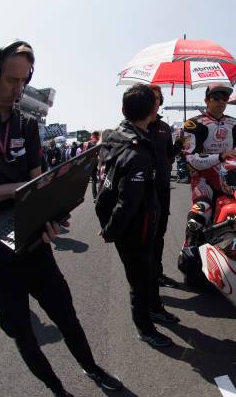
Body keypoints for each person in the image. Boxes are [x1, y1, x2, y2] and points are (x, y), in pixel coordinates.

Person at [0, 40, 122, 396]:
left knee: (68, 318)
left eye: (24, 81)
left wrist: (50, 216)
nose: (18, 89)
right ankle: (58, 390)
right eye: (11, 80)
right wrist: (12, 189)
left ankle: (93, 369)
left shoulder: (27, 125)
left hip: (32, 244)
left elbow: (37, 184)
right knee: (23, 335)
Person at [95, 84, 179, 348]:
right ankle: (145, 328)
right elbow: (127, 202)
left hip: (138, 220)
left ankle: (153, 309)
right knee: (140, 279)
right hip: (135, 226)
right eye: (156, 103)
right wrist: (110, 230)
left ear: (123, 110)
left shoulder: (113, 136)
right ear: (153, 110)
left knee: (149, 268)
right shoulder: (138, 151)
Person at [181, 83, 236, 247]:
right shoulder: (192, 125)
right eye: (216, 98)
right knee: (199, 214)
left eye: (225, 98)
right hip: (203, 179)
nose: (221, 101)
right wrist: (221, 156)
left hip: (233, 180)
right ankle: (189, 251)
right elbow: (192, 159)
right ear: (206, 100)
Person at [147, 85, 183, 288]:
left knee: (160, 233)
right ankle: (147, 278)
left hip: (162, 187)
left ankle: (157, 273)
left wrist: (179, 145)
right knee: (146, 236)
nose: (155, 101)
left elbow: (169, 156)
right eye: (151, 98)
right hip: (144, 190)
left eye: (158, 98)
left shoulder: (164, 127)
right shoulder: (138, 124)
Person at [86, 131, 100, 198]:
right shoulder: (100, 142)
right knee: (103, 178)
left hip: (92, 162)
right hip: (101, 161)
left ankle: (95, 196)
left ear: (92, 135)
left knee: (94, 179)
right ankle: (101, 194)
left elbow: (86, 153)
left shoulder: (89, 143)